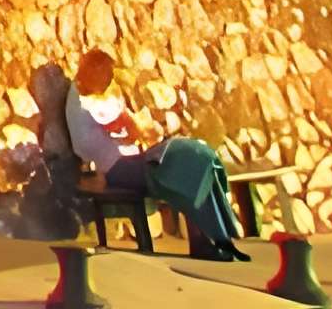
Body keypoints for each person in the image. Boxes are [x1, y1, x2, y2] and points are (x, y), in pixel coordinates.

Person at [64, 47, 243, 260]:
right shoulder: (79, 105)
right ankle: (204, 242)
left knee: (189, 160)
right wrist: (120, 130)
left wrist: (119, 134)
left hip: (123, 164)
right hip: (118, 170)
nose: (110, 80)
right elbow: (86, 146)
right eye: (107, 74)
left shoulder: (81, 102)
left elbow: (99, 140)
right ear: (94, 70)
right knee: (186, 166)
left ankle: (206, 240)